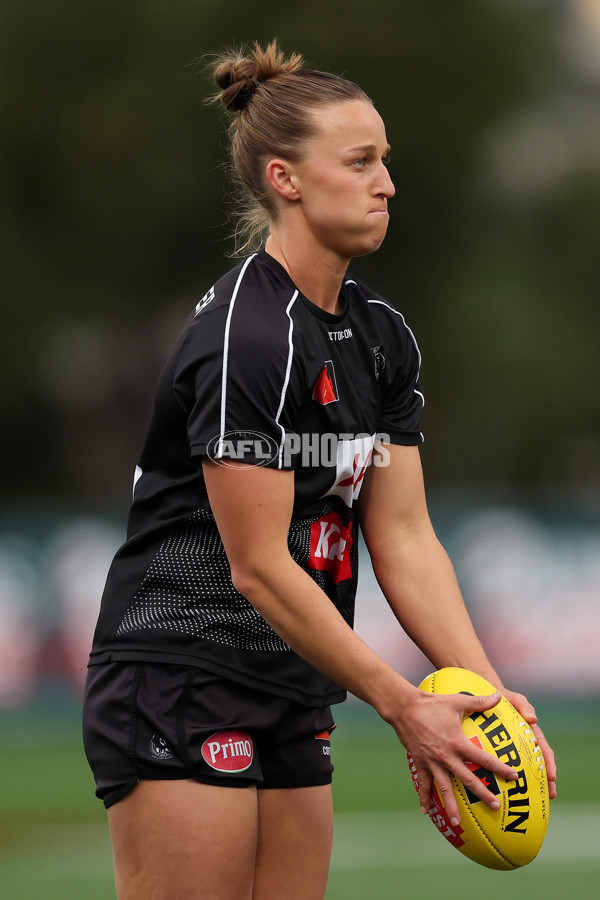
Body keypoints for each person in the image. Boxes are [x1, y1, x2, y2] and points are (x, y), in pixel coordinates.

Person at [82, 41, 556, 900]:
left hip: (294, 685)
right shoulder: (247, 339)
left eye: (386, 161)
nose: (387, 183)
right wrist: (402, 705)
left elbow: (404, 536)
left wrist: (490, 699)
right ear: (287, 179)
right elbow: (259, 566)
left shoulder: (383, 337)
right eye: (361, 161)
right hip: (180, 673)